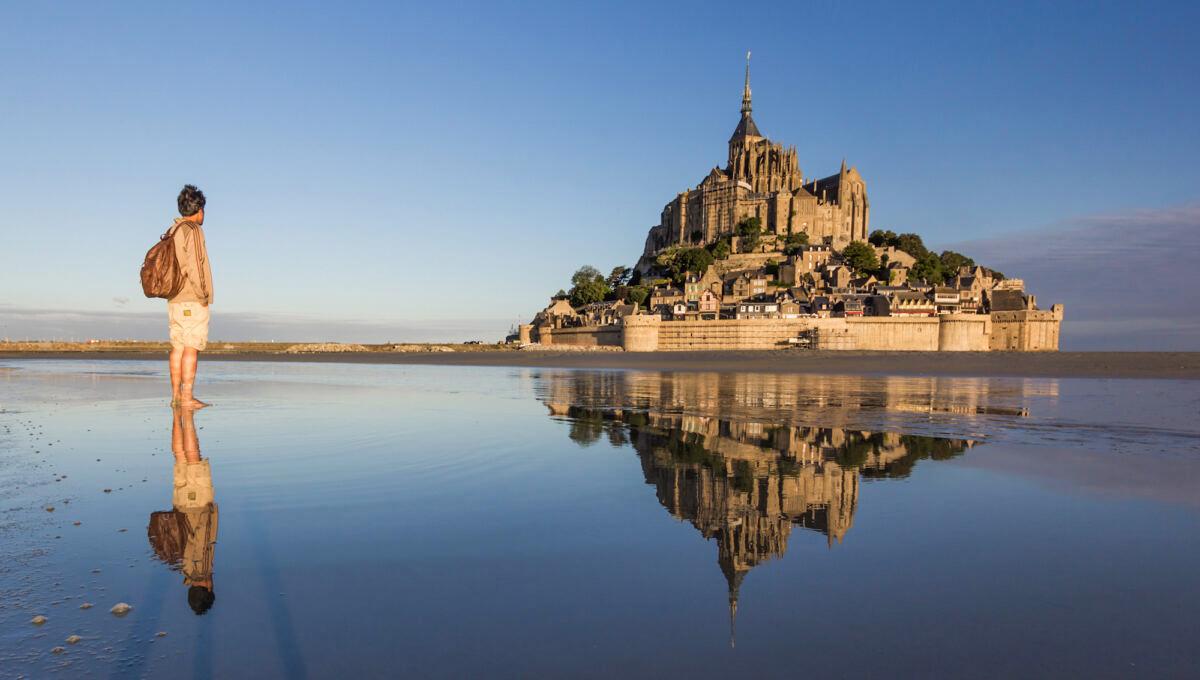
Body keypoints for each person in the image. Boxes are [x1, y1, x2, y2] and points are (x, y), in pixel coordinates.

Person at [147, 403, 219, 615]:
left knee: (193, 457)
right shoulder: (183, 569)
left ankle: (187, 414)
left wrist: (208, 511)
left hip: (197, 507)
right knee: (179, 457)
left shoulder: (201, 569)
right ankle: (177, 413)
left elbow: (202, 539)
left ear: (208, 588)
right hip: (180, 506)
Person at [167, 184, 213, 407]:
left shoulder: (172, 230)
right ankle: (187, 397)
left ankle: (176, 396)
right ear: (199, 209)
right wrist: (204, 295)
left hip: (174, 298)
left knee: (177, 347)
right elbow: (196, 266)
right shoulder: (192, 230)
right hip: (191, 297)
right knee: (191, 346)